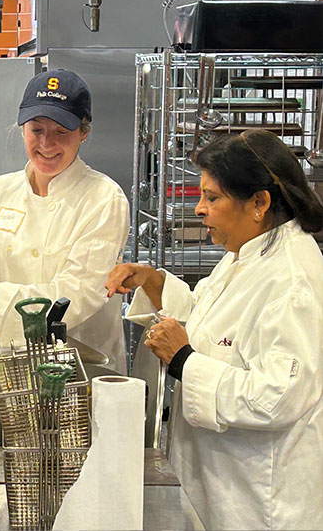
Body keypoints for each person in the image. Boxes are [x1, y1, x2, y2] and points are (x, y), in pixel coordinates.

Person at [105, 129, 323, 530]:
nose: (200, 209)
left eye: (212, 197)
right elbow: (214, 324)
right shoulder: (248, 253)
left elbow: (277, 397)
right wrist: (152, 282)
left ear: (259, 203)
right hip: (219, 490)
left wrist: (184, 360)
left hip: (260, 505)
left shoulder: (292, 279)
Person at [0, 69, 130, 371]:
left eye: (61, 132)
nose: (47, 144)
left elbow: (79, 294)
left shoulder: (104, 199)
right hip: (4, 364)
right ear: (22, 127)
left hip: (77, 368)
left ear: (84, 132)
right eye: (37, 130)